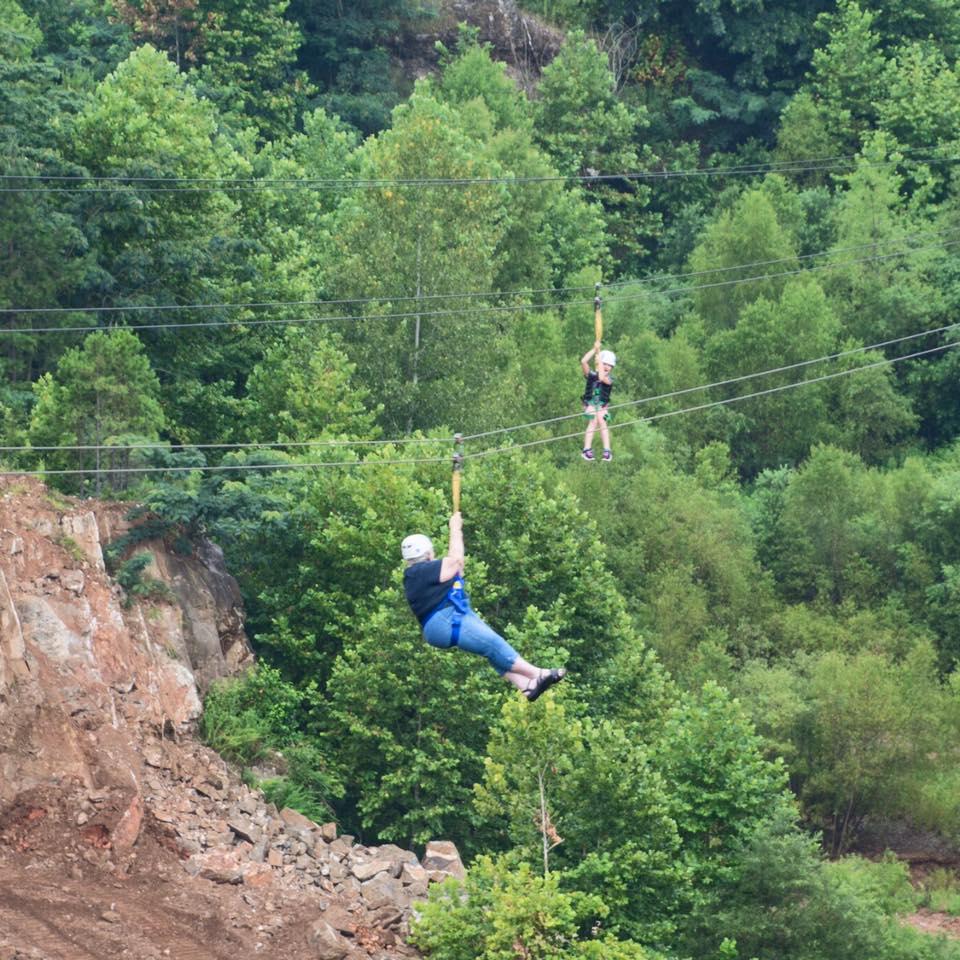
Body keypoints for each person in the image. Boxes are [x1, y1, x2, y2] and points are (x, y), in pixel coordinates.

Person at [401, 512, 566, 701]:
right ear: (428, 553)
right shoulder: (419, 572)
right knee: (492, 643)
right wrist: (455, 529)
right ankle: (537, 673)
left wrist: (457, 537)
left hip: (446, 619)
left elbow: (458, 567)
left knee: (489, 648)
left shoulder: (421, 576)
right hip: (445, 619)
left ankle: (526, 685)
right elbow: (455, 562)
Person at [580, 342, 616, 462]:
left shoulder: (609, 379)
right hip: (590, 405)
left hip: (603, 406)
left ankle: (607, 450)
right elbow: (583, 361)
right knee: (593, 421)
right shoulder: (591, 375)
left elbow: (601, 377)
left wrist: (599, 358)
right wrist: (595, 350)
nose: (606, 367)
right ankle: (586, 449)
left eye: (609, 365)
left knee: (603, 421)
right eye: (604, 364)